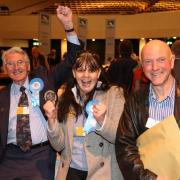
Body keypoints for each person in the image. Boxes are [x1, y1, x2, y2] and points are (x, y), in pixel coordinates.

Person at [0, 5, 83, 180]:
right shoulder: (1, 96)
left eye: (20, 62)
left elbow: (73, 58)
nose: (16, 68)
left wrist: (68, 25)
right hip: (9, 158)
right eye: (10, 64)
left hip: (41, 156)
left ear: (28, 65)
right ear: (5, 68)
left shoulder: (46, 80)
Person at [43, 51, 125, 180]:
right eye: (80, 70)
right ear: (74, 73)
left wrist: (102, 120)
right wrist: (52, 121)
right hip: (71, 172)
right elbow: (58, 145)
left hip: (103, 173)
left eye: (91, 70)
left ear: (98, 73)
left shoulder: (114, 94)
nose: (86, 76)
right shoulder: (64, 98)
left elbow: (121, 137)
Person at [115, 40, 180, 180]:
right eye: (148, 61)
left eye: (161, 60)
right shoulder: (134, 102)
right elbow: (124, 147)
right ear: (142, 66)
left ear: (172, 61)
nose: (155, 67)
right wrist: (150, 178)